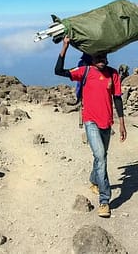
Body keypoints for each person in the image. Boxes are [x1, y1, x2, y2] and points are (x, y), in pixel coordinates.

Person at [55, 36, 126, 218]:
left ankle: (94, 181)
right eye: (98, 57)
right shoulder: (85, 71)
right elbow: (58, 71)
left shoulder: (114, 74)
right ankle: (105, 200)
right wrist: (65, 46)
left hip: (107, 122)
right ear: (92, 58)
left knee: (101, 156)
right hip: (90, 121)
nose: (102, 60)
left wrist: (122, 123)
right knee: (101, 157)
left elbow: (117, 99)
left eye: (104, 57)